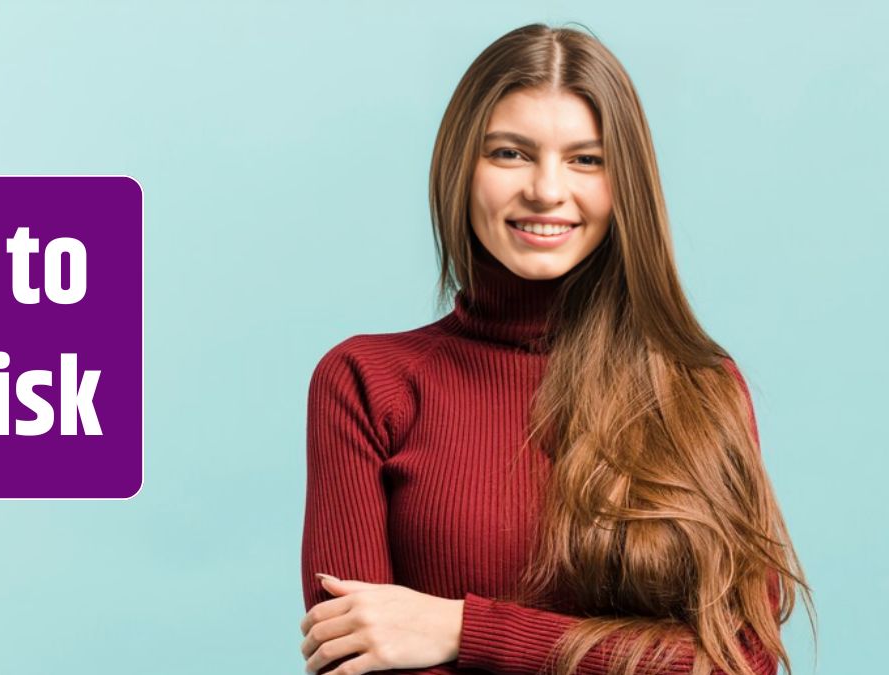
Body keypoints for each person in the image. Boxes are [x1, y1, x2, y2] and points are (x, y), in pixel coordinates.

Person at [298, 23, 815, 675]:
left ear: (623, 182)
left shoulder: (699, 384)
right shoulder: (366, 383)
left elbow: (741, 659)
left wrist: (464, 626)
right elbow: (354, 653)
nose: (546, 189)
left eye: (585, 159)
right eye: (510, 154)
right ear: (460, 167)